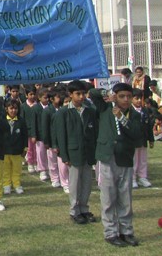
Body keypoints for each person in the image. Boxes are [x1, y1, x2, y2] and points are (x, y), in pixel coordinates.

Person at [96, 83, 141, 247]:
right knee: (108, 197)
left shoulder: (134, 115)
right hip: (107, 157)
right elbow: (94, 93)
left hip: (125, 159)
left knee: (125, 198)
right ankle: (110, 232)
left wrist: (122, 117)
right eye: (122, 96)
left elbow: (136, 133)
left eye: (129, 96)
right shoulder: (104, 109)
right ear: (115, 96)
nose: (126, 99)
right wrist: (107, 93)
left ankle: (126, 231)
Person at [56, 80, 98, 225]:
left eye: (83, 94)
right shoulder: (64, 112)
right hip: (73, 152)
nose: (81, 97)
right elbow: (61, 135)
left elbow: (94, 132)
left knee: (87, 182)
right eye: (78, 94)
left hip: (88, 151)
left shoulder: (90, 110)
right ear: (70, 94)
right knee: (74, 183)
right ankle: (74, 210)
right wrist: (64, 155)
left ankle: (84, 208)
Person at [2, 99, 28, 195]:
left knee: (17, 169)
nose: (13, 110)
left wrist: (25, 148)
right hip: (5, 150)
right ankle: (6, 185)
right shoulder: (2, 120)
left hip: (17, 150)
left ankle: (17, 185)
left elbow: (25, 135)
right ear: (6, 109)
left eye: (16, 108)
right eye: (11, 108)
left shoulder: (21, 121)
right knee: (6, 169)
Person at [131, 88, 154, 189]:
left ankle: (142, 177)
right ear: (131, 99)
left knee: (143, 159)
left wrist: (151, 139)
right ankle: (132, 178)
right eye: (136, 98)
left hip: (143, 139)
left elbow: (149, 126)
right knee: (134, 160)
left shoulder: (145, 110)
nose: (139, 101)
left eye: (140, 98)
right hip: (133, 140)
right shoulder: (129, 111)